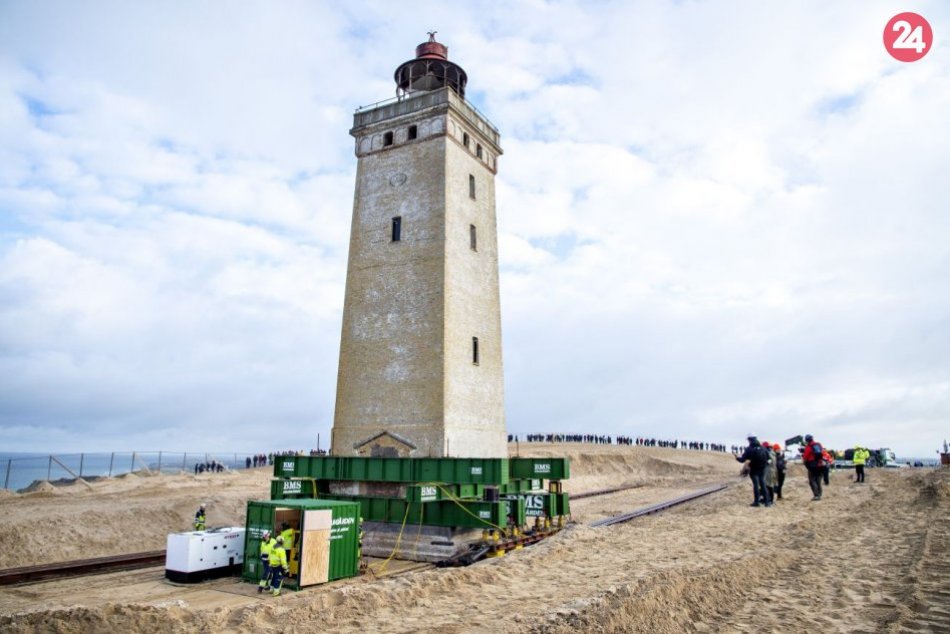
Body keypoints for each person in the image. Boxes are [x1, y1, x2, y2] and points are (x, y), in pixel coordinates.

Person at [735, 436, 770, 506]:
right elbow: (769, 458)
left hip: (754, 469)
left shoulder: (748, 449)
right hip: (763, 469)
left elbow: (742, 460)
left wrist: (737, 458)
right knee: (763, 484)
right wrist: (766, 465)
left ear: (749, 440)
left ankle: (757, 502)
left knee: (756, 485)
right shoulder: (763, 448)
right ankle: (767, 502)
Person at [802, 435, 826, 501]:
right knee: (818, 480)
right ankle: (820, 494)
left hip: (812, 466)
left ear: (806, 440)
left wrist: (805, 463)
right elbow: (822, 453)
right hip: (820, 465)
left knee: (812, 480)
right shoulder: (819, 444)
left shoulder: (808, 447)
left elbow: (805, 457)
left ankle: (816, 495)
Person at [762, 442, 777, 507]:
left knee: (769, 486)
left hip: (769, 471)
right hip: (772, 471)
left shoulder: (768, 453)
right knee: (769, 486)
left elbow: (769, 462)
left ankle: (770, 500)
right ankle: (769, 499)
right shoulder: (772, 453)